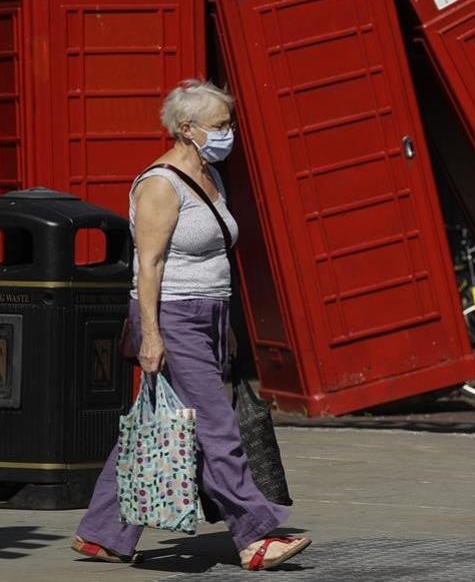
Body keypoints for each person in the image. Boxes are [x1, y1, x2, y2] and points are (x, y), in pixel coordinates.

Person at [72, 80, 309, 570]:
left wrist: (228, 323)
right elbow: (150, 264)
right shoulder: (160, 184)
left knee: (158, 425)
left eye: (229, 124)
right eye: (220, 126)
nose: (229, 134)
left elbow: (218, 250)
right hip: (173, 315)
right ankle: (254, 536)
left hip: (211, 313)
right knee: (217, 427)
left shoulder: (210, 176)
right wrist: (151, 335)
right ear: (186, 129)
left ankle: (102, 533)